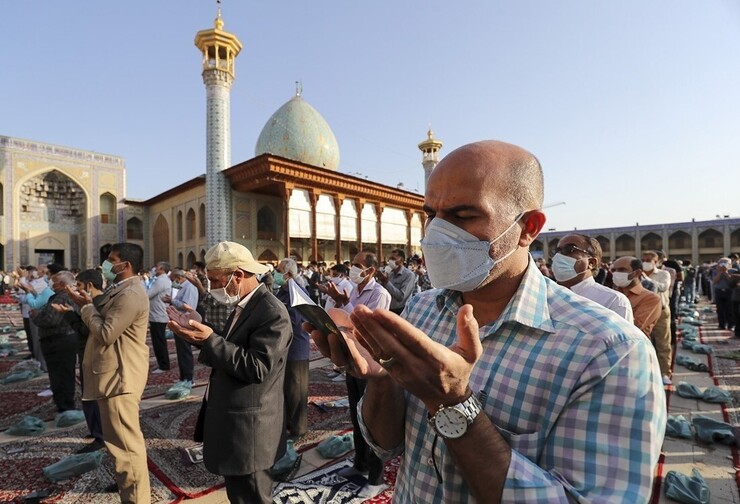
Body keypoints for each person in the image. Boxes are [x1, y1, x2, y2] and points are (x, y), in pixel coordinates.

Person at [308, 140, 665, 503]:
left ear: (528, 227)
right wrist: (382, 379)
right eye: (431, 215)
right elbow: (387, 444)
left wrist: (453, 403)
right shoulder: (421, 310)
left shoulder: (609, 352)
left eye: (463, 217)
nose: (437, 234)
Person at [167, 241, 292, 504]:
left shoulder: (271, 312)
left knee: (253, 496)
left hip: (252, 430)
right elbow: (231, 342)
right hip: (237, 421)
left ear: (237, 275)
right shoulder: (246, 303)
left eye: (214, 280)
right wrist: (197, 330)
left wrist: (209, 339)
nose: (211, 287)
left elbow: (258, 367)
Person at [66, 243, 151, 502]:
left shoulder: (131, 294)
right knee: (119, 448)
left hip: (120, 378)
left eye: (110, 260)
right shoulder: (120, 289)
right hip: (113, 375)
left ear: (124, 265)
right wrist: (87, 302)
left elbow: (106, 333)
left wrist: (86, 309)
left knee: (126, 450)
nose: (106, 264)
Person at [324, 251, 391, 497]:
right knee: (356, 415)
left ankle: (377, 478)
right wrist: (337, 302)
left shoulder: (380, 294)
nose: (352, 269)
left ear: (370, 271)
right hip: (353, 361)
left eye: (357, 266)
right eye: (352, 265)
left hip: (371, 364)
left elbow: (365, 327)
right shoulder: (352, 290)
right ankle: (360, 465)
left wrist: (344, 304)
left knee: (372, 419)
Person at [551, 233, 633, 321]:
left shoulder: (613, 301)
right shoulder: (546, 295)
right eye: (557, 251)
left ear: (591, 263)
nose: (559, 256)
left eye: (569, 249)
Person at [32, 271, 78, 413]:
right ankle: (63, 403)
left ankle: (65, 406)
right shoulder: (58, 296)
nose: (51, 283)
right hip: (59, 341)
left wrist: (35, 315)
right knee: (60, 374)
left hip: (60, 341)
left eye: (54, 281)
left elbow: (50, 320)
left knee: (61, 375)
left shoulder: (62, 297)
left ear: (62, 284)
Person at [275, 258, 310, 438]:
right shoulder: (283, 291)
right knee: (288, 389)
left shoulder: (296, 291)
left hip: (296, 347)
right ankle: (289, 423)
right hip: (285, 347)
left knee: (296, 390)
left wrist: (275, 311)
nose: (275, 273)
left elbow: (295, 319)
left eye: (279, 270)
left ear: (287, 274)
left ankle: (298, 429)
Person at [642, 250, 673, 384]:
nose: (646, 263)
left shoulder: (663, 274)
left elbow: (662, 287)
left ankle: (665, 372)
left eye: (649, 260)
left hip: (661, 311)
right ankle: (647, 371)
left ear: (656, 262)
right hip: (644, 313)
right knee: (645, 343)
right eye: (644, 260)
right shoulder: (638, 274)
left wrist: (645, 279)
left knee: (663, 342)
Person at [610, 257, 663, 337]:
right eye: (614, 270)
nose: (616, 273)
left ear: (637, 273)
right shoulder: (612, 294)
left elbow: (634, 326)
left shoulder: (651, 298)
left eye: (622, 270)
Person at [163, 268, 198, 386]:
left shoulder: (189, 287)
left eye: (173, 279)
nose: (173, 282)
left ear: (178, 278)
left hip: (186, 323)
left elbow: (188, 306)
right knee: (181, 351)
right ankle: (184, 377)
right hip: (180, 321)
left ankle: (188, 378)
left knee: (185, 351)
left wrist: (172, 300)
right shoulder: (183, 287)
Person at [147, 262, 173, 374]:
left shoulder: (161, 280)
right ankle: (162, 364)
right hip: (157, 315)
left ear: (161, 269)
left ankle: (163, 365)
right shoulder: (162, 280)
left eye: (157, 267)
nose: (155, 269)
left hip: (158, 316)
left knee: (159, 342)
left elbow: (148, 294)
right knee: (159, 341)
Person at [374, 249, 417, 315]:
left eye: (393, 259)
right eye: (390, 259)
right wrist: (380, 280)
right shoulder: (390, 274)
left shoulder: (409, 275)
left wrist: (386, 282)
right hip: (388, 309)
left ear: (401, 261)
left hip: (401, 311)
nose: (390, 261)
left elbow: (401, 297)